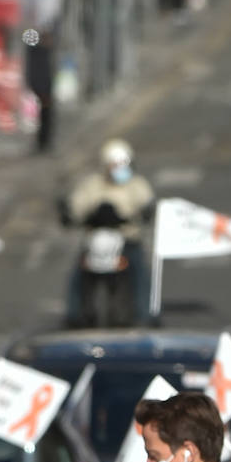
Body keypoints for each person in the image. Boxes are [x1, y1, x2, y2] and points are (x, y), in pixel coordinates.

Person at [63, 139, 156, 326]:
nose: (119, 169)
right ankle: (75, 315)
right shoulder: (93, 185)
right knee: (78, 276)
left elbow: (147, 203)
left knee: (140, 272)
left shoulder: (136, 185)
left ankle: (144, 315)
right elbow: (77, 206)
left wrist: (143, 212)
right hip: (95, 240)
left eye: (123, 164)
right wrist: (71, 214)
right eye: (114, 164)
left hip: (126, 239)